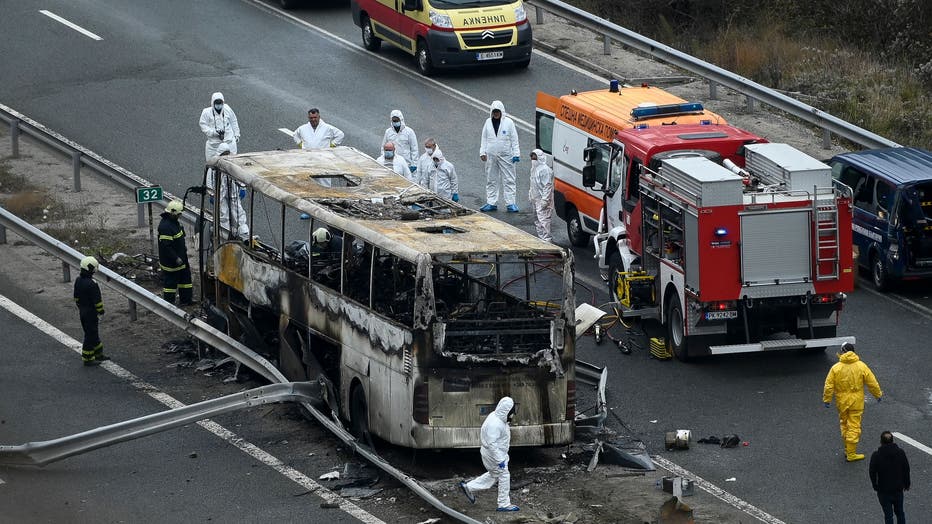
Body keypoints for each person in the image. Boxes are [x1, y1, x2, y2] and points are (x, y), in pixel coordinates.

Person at [823, 342, 883, 461]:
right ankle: (851, 453)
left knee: (844, 424)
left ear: (842, 351)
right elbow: (872, 382)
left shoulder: (836, 368)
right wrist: (878, 394)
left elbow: (829, 385)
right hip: (856, 402)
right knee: (854, 426)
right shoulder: (861, 366)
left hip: (842, 402)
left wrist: (827, 399)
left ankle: (847, 449)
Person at [459, 396, 520, 512]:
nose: (512, 415)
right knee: (504, 475)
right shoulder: (495, 424)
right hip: (493, 455)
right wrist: (500, 460)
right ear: (506, 411)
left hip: (493, 454)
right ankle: (504, 503)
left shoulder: (497, 417)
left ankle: (469, 487)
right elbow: (492, 444)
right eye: (511, 412)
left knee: (494, 475)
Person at [479, 100, 520, 213]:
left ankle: (510, 203)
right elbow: (484, 138)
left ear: (502, 111)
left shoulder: (509, 123)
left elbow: (514, 139)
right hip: (491, 156)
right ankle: (491, 202)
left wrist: (516, 153)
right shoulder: (488, 122)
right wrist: (482, 152)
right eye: (494, 111)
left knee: (509, 179)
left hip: (506, 156)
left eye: (497, 111)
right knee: (491, 179)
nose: (496, 113)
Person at [207, 143, 250, 241]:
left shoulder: (232, 163)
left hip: (233, 193)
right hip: (219, 195)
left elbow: (239, 176)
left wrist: (242, 188)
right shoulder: (214, 165)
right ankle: (225, 234)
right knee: (223, 213)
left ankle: (244, 233)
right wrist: (212, 193)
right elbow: (209, 180)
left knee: (238, 211)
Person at [74, 256, 109, 366]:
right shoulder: (92, 284)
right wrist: (101, 311)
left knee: (92, 332)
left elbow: (76, 297)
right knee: (90, 334)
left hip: (83, 311)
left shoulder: (78, 280)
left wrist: (81, 306)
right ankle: (88, 358)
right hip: (91, 313)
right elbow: (97, 301)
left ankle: (98, 354)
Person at [869, 431, 910, 524]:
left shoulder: (876, 455)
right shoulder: (900, 453)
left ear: (881, 441)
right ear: (892, 441)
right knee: (900, 513)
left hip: (883, 490)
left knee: (888, 516)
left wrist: (875, 485)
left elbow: (872, 472)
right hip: (898, 489)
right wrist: (907, 484)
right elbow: (906, 469)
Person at [158, 200, 193, 306]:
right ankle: (169, 304)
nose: (179, 216)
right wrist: (176, 258)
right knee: (170, 284)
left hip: (182, 258)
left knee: (185, 281)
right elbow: (166, 247)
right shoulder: (165, 227)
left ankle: (186, 300)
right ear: (172, 212)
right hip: (172, 262)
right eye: (178, 214)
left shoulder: (174, 222)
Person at [198, 92, 240, 161]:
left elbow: (233, 121)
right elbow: (202, 124)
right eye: (216, 103)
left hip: (229, 142)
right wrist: (213, 132)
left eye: (220, 103)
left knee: (232, 164)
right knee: (212, 165)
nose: (218, 105)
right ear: (212, 103)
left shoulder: (227, 109)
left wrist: (236, 133)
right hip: (214, 145)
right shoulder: (206, 112)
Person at [381, 109, 418, 175]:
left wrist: (414, 164)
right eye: (393, 121)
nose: (395, 122)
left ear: (401, 119)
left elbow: (414, 149)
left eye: (396, 120)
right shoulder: (388, 132)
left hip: (407, 164)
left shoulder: (409, 132)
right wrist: (383, 159)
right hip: (393, 164)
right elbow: (383, 147)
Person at [528, 148, 554, 242]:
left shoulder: (545, 170)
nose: (533, 159)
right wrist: (531, 195)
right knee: (537, 219)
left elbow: (547, 186)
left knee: (544, 220)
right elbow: (533, 183)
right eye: (532, 157)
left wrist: (545, 200)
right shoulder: (534, 169)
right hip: (536, 199)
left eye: (534, 157)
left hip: (543, 200)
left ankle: (547, 240)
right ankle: (541, 238)